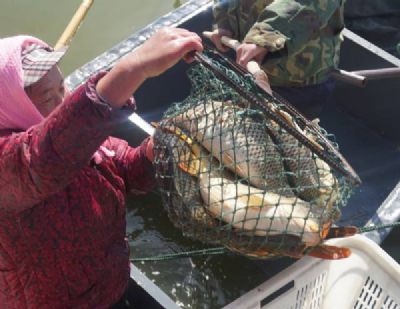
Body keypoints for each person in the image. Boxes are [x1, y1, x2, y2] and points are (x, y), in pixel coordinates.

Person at [0, 28, 202, 309]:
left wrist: (153, 150)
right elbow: (45, 158)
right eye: (48, 97)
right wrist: (134, 67)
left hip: (111, 289)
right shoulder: (14, 161)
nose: (62, 103)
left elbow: (128, 171)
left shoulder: (85, 141)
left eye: (63, 87)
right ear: (9, 105)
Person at [209, 0, 346, 120]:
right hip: (246, 65)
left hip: (296, 82)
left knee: (291, 137)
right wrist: (223, 21)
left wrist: (265, 35)